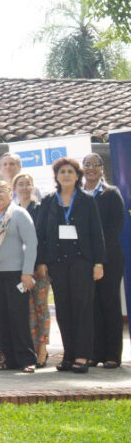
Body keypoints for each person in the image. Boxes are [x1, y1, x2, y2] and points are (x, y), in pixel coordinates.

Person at [36, 158, 105, 374]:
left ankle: (83, 356)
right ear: (56, 177)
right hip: (57, 263)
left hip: (82, 262)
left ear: (77, 176)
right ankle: (69, 355)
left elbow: (96, 233)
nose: (66, 175)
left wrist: (99, 262)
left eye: (70, 171)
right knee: (64, 310)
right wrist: (41, 261)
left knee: (82, 309)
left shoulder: (87, 200)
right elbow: (40, 233)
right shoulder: (48, 201)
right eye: (62, 172)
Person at [0, 180, 38, 373]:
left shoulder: (19, 214)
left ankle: (27, 359)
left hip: (17, 275)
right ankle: (10, 359)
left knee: (18, 316)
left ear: (10, 193)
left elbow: (31, 243)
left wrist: (27, 272)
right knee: (0, 318)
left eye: (2, 191)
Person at [82, 153, 125, 369]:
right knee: (92, 307)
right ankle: (95, 353)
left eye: (95, 164)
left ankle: (112, 354)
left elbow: (114, 228)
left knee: (109, 304)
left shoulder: (111, 193)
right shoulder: (77, 195)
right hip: (84, 260)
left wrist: (98, 256)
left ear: (101, 168)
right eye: (87, 164)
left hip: (108, 258)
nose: (91, 168)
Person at [12, 172, 50, 367]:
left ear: (33, 187)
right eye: (21, 184)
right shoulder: (12, 210)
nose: (25, 187)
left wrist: (42, 262)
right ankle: (30, 348)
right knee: (27, 309)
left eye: (28, 184)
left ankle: (42, 347)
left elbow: (44, 236)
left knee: (41, 307)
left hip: (38, 267)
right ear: (14, 188)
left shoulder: (40, 208)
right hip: (19, 269)